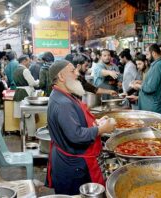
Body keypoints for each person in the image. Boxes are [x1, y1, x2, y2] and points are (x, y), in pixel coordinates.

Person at [46, 60, 116, 195]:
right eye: (72, 71)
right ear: (61, 77)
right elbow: (76, 135)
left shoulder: (63, 95)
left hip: (70, 161)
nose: (77, 74)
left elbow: (75, 123)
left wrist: (97, 123)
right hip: (73, 166)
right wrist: (102, 129)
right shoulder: (63, 103)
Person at [135, 44, 161, 116]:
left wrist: (138, 86)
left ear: (153, 53)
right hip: (155, 106)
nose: (146, 57)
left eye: (147, 54)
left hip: (153, 108)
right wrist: (143, 82)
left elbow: (150, 88)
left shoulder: (158, 66)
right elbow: (156, 83)